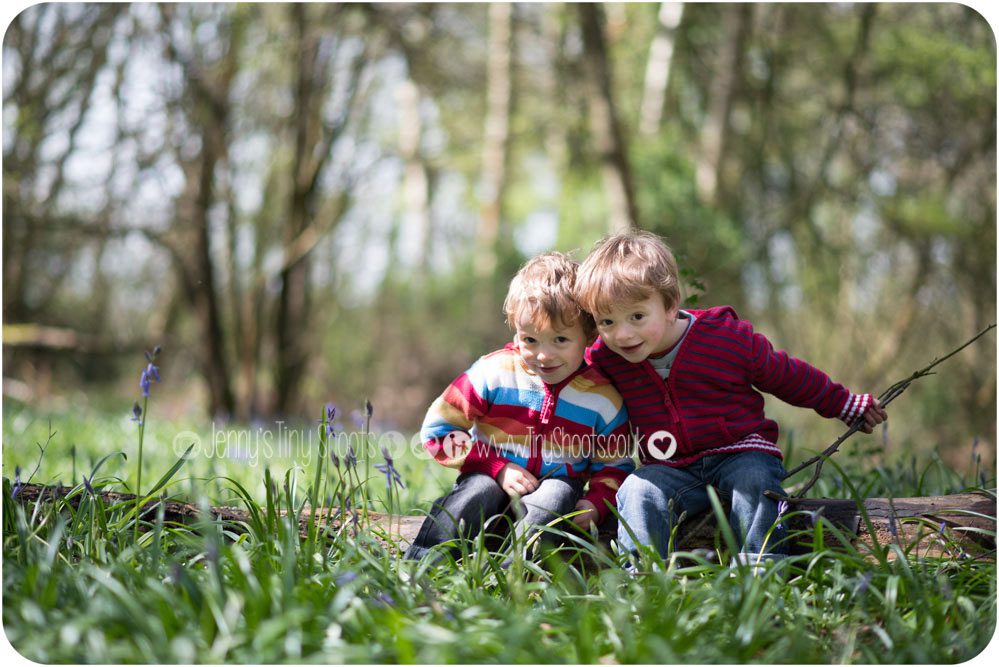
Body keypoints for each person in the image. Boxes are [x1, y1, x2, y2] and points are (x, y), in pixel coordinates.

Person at [574, 230, 887, 567]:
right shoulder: (607, 359)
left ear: (670, 304)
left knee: (754, 482)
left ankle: (760, 572)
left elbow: (787, 375)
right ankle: (645, 581)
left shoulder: (724, 339)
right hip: (670, 466)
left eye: (637, 316)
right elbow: (569, 376)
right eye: (607, 321)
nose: (622, 334)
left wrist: (843, 403)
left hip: (741, 451)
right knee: (638, 490)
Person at [404, 252, 634, 563]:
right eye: (530, 340)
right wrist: (495, 467)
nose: (544, 355)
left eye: (560, 340)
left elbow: (615, 464)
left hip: (555, 484)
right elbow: (438, 429)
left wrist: (596, 502)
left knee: (556, 496)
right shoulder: (494, 373)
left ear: (589, 335)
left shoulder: (602, 398)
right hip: (490, 475)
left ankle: (515, 575)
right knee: (476, 492)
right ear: (515, 328)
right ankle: (422, 565)